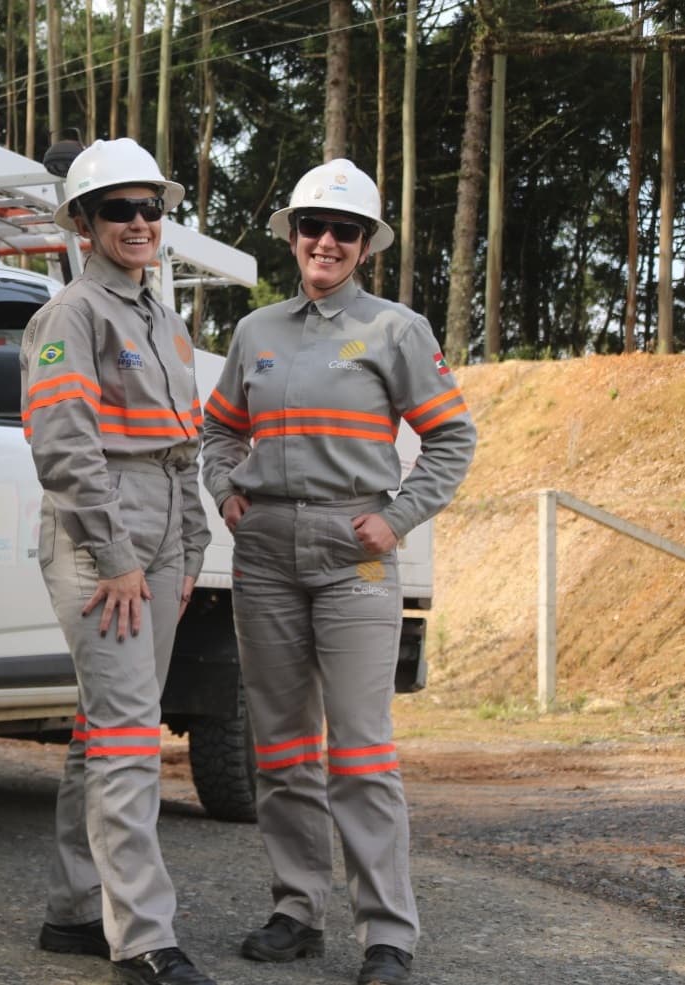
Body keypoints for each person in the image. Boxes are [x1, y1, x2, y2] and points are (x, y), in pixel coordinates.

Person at [200, 158, 476, 985]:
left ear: (364, 246)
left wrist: (392, 520)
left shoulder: (397, 330)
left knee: (359, 752)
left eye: (343, 231)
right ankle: (295, 909)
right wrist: (225, 490)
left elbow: (452, 438)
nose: (325, 241)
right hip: (264, 552)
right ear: (291, 235)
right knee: (281, 749)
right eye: (312, 226)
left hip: (353, 554)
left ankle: (387, 932)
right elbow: (217, 432)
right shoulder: (256, 332)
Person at [21, 138, 216, 985]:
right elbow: (63, 446)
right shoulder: (72, 314)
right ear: (82, 223)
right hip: (104, 531)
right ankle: (141, 937)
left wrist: (192, 545)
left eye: (150, 208)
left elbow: (184, 443)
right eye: (117, 210)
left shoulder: (163, 319)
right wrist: (112, 554)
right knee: (131, 735)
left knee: (104, 728)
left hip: (165, 529)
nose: (138, 223)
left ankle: (73, 909)